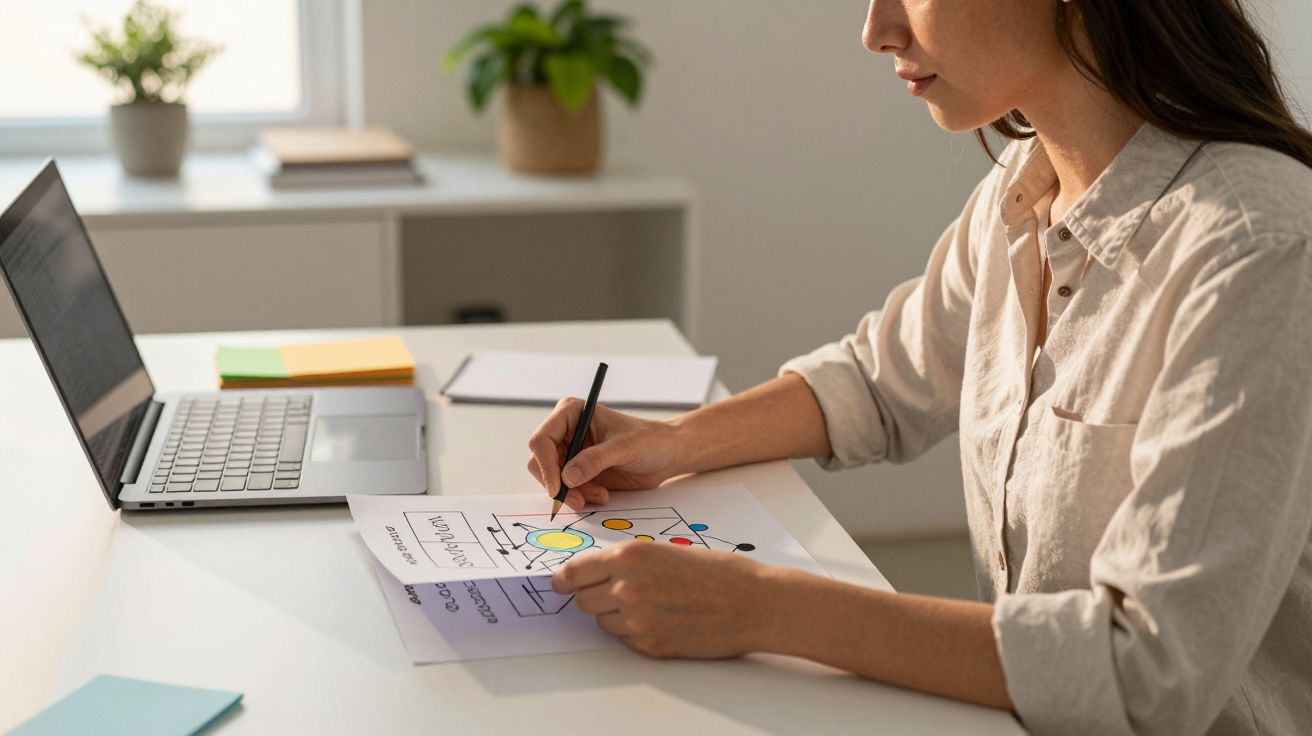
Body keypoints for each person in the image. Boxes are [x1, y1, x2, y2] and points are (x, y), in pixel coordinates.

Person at [525, 0, 1312, 733]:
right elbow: (880, 380)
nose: (877, 31)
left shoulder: (1257, 246)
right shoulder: (1024, 187)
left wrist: (763, 608)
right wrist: (670, 443)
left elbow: (1149, 669)